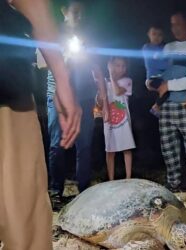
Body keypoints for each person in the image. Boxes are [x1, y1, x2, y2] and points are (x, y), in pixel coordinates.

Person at [0, 0, 81, 249]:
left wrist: (62, 79)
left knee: (24, 222)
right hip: (8, 91)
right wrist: (62, 80)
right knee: (24, 226)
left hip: (7, 90)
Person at [37, 0, 108, 208]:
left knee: (84, 145)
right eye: (75, 12)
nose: (78, 16)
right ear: (64, 11)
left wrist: (102, 93)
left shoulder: (88, 37)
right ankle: (55, 191)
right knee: (57, 144)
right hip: (57, 96)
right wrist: (65, 58)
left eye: (81, 13)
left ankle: (83, 191)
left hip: (84, 96)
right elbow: (42, 63)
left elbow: (97, 66)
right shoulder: (52, 34)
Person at [147, 11, 186, 192]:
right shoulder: (168, 47)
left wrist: (168, 85)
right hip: (166, 104)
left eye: (178, 24)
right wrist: (150, 82)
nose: (175, 28)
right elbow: (159, 73)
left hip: (185, 102)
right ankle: (174, 182)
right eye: (172, 25)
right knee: (168, 146)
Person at [102, 57, 135, 180]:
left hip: (124, 121)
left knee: (126, 148)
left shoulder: (127, 81)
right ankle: (111, 179)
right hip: (109, 120)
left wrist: (111, 74)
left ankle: (128, 177)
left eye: (123, 66)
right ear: (111, 65)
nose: (120, 68)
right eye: (117, 65)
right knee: (110, 150)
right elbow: (99, 100)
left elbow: (116, 91)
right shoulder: (104, 82)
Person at [142, 24, 169, 117]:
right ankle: (156, 106)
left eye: (160, 34)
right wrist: (168, 64)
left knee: (169, 89)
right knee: (166, 89)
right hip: (153, 78)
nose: (157, 37)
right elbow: (154, 64)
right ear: (148, 34)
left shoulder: (165, 47)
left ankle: (158, 107)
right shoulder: (147, 48)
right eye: (154, 34)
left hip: (163, 78)